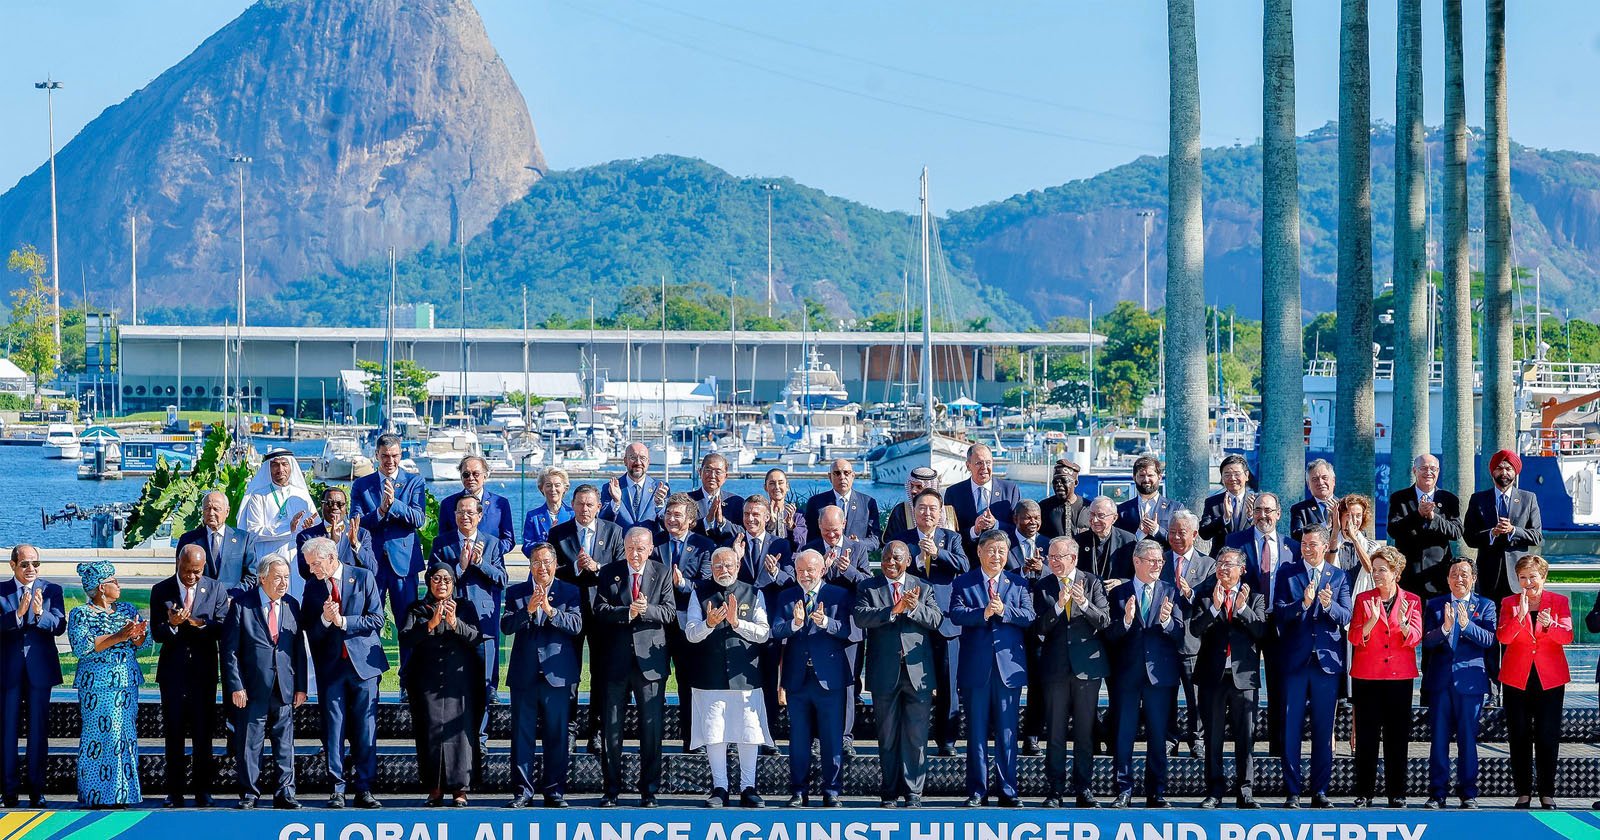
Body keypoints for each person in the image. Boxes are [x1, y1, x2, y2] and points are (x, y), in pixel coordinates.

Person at [853, 540, 943, 808]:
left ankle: (914, 792)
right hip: (884, 674)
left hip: (918, 674)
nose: (890, 563)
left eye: (896, 559)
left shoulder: (923, 586)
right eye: (886, 559)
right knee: (888, 734)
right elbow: (860, 617)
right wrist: (893, 610)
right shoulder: (869, 586)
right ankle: (889, 791)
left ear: (908, 561)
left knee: (916, 736)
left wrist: (914, 608)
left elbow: (936, 620)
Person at [301, 536, 388, 809]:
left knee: (365, 728)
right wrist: (326, 620)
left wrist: (343, 621)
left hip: (364, 666)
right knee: (333, 728)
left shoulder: (362, 577)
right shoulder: (313, 587)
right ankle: (337, 787)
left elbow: (377, 619)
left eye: (316, 564)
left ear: (331, 558)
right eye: (309, 565)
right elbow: (310, 631)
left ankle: (364, 787)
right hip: (332, 668)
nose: (313, 569)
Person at [949, 529, 1034, 807]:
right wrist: (983, 613)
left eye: (1001, 551)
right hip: (976, 670)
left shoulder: (1018, 583)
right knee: (976, 733)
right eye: (991, 550)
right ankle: (977, 790)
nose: (996, 556)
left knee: (1008, 732)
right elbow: (957, 613)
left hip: (1008, 671)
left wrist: (1004, 611)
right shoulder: (964, 582)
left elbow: (1029, 616)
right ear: (979, 552)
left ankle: (1008, 790)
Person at [593, 527, 676, 807]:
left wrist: (646, 609)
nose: (635, 553)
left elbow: (669, 612)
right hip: (615, 663)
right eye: (631, 548)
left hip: (649, 664)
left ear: (651, 548)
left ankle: (649, 790)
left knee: (651, 730)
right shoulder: (609, 572)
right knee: (612, 729)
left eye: (641, 548)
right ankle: (611, 789)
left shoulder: (662, 572)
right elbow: (600, 611)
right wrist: (625, 612)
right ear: (624, 548)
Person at [685, 547, 772, 809]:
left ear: (738, 565)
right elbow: (690, 633)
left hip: (744, 677)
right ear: (711, 568)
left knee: (748, 733)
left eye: (729, 565)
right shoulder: (698, 593)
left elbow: (763, 633)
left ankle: (749, 787)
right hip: (708, 677)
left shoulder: (754, 592)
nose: (724, 570)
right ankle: (719, 787)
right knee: (715, 734)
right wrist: (709, 624)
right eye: (718, 566)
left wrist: (737, 623)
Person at [1273, 524, 1352, 808]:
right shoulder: (1287, 572)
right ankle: (1292, 791)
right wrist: (1303, 604)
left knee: (1323, 730)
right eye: (1303, 544)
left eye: (1312, 544)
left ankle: (1320, 790)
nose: (1307, 548)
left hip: (1326, 664)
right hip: (1295, 662)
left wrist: (1329, 606)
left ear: (1323, 546)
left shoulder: (1339, 576)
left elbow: (1346, 615)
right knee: (1291, 729)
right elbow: (1279, 612)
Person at [221, 556, 308, 810]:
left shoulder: (292, 605)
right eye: (278, 577)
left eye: (286, 578)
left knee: (285, 743)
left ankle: (285, 792)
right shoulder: (241, 606)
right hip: (251, 689)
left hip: (284, 687)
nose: (283, 583)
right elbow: (230, 651)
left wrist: (301, 685)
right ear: (262, 578)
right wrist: (236, 686)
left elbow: (298, 649)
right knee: (250, 742)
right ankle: (250, 792)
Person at [501, 543, 583, 809]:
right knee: (522, 737)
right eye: (537, 562)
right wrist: (528, 610)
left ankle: (554, 791)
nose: (542, 567)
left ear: (555, 563)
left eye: (547, 562)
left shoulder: (569, 591)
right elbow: (506, 626)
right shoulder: (517, 592)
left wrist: (550, 611)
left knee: (557, 736)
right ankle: (523, 791)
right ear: (530, 565)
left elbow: (576, 625)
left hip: (557, 676)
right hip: (525, 675)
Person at [1031, 536, 1109, 808]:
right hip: (1055, 669)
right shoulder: (1043, 586)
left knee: (1085, 733)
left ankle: (1083, 789)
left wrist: (1084, 603)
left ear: (1073, 558)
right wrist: (1057, 605)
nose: (1053, 562)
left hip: (1087, 668)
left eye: (1058, 557)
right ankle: (1055, 790)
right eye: (1050, 557)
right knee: (1054, 732)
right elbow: (1039, 627)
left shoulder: (1093, 582)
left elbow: (1104, 620)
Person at [889, 488, 969, 754]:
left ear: (940, 512)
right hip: (913, 621)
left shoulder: (952, 538)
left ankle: (947, 740)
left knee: (949, 685)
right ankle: (916, 739)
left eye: (932, 508)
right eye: (922, 508)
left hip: (947, 623)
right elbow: (894, 568)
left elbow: (964, 566)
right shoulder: (903, 539)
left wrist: (937, 553)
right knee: (915, 685)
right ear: (914, 512)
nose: (927, 513)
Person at [429, 495, 509, 762]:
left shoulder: (493, 544)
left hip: (483, 625)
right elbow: (433, 578)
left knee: (483, 684)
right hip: (452, 623)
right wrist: (460, 567)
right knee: (450, 684)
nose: (465, 517)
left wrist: (478, 563)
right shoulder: (443, 544)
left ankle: (480, 738)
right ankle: (452, 738)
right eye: (460, 512)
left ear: (479, 516)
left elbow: (502, 579)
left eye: (470, 513)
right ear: (454, 515)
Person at [770, 549, 853, 808]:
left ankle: (832, 790)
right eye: (800, 571)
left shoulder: (838, 595)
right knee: (799, 739)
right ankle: (798, 790)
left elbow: (849, 631)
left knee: (831, 738)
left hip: (829, 680)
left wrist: (826, 621)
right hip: (798, 679)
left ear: (822, 570)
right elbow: (775, 630)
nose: (805, 576)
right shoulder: (787, 596)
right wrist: (795, 624)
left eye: (810, 570)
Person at [1105, 539, 1183, 809]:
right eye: (1152, 560)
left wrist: (1166, 621)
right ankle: (1123, 790)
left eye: (1160, 561)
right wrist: (1126, 621)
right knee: (1123, 734)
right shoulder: (1119, 593)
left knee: (1158, 735)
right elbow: (1108, 634)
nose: (1157, 565)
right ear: (1136, 562)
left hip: (1159, 675)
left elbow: (1181, 632)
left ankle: (1156, 792)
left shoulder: (1170, 591)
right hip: (1126, 675)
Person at [400, 563, 486, 808]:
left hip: (459, 684)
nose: (442, 584)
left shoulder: (465, 607)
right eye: (437, 579)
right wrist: (431, 623)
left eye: (447, 580)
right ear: (428, 582)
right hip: (426, 684)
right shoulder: (417, 608)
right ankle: (434, 789)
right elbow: (405, 638)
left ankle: (460, 789)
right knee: (430, 735)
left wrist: (454, 622)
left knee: (460, 734)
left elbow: (476, 637)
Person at [66, 560, 149, 809]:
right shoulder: (81, 613)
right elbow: (82, 646)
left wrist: (138, 634)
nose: (118, 585)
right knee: (101, 737)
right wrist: (119, 636)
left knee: (125, 736)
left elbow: (142, 645)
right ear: (101, 587)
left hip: (125, 683)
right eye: (114, 581)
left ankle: (122, 794)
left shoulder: (126, 608)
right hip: (97, 685)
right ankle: (97, 795)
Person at [152, 545, 229, 808]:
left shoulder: (216, 589)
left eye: (197, 571)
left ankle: (203, 790)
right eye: (187, 571)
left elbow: (223, 627)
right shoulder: (161, 590)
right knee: (173, 734)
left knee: (202, 733)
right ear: (178, 563)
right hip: (173, 673)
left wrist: (199, 623)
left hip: (202, 673)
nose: (192, 577)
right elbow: (156, 633)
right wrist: (172, 625)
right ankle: (174, 792)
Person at [547, 483, 623, 750]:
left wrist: (597, 567)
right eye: (580, 504)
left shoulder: (614, 532)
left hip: (603, 613)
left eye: (590, 504)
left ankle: (597, 730)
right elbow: (552, 571)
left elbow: (619, 573)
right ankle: (569, 730)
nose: (585, 509)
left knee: (601, 672)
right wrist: (577, 569)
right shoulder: (558, 533)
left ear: (598, 507)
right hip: (570, 611)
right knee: (569, 673)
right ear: (573, 505)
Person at [1191, 548, 1266, 809]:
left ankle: (1245, 792)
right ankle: (1214, 791)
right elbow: (1195, 628)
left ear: (1241, 569)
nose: (1223, 569)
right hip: (1212, 676)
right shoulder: (1204, 596)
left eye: (1229, 564)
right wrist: (1214, 607)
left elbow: (1260, 631)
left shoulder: (1255, 597)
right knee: (1213, 738)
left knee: (1245, 737)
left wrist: (1242, 608)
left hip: (1243, 678)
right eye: (1220, 564)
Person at [1349, 546, 1423, 808]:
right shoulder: (1363, 600)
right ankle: (1364, 793)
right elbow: (1354, 637)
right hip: (1367, 677)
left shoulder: (1412, 600)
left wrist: (1403, 624)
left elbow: (1415, 637)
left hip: (1399, 678)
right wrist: (1370, 622)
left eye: (1383, 570)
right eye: (1375, 569)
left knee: (1397, 737)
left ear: (1396, 573)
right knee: (1367, 737)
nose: (1377, 574)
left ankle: (1397, 793)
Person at [1225, 490, 1298, 755]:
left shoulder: (1293, 547)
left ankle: (1278, 748)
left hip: (1279, 625)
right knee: (1246, 688)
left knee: (1280, 687)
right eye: (1258, 510)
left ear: (1278, 514)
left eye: (1268, 510)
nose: (1263, 515)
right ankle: (1246, 748)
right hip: (1246, 623)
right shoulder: (1235, 541)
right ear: (1251, 513)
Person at [1496, 555, 1571, 810]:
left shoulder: (1559, 602)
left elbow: (1567, 637)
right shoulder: (1509, 603)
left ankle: (1547, 792)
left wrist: (1550, 626)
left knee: (1548, 736)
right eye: (1523, 578)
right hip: (1517, 678)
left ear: (1544, 577)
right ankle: (1523, 792)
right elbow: (1504, 637)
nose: (1528, 583)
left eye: (1532, 577)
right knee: (1518, 735)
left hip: (1549, 679)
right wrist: (1520, 617)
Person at [1422, 559, 1496, 810]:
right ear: (1447, 579)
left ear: (1473, 578)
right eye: (1454, 574)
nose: (1459, 578)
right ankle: (1437, 793)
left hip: (1470, 684)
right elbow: (1427, 642)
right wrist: (1445, 628)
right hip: (1440, 683)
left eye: (1464, 574)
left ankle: (1468, 793)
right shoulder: (1434, 605)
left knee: (1468, 739)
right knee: (1439, 740)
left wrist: (1466, 626)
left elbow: (1488, 640)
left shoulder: (1485, 605)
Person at [351, 433, 428, 670]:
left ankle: (407, 680)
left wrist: (393, 504)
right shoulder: (362, 485)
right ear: (376, 456)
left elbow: (418, 518)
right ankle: (369, 675)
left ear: (401, 454)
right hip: (371, 562)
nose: (390, 461)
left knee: (407, 622)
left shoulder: (415, 482)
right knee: (368, 618)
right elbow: (356, 522)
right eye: (385, 456)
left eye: (394, 456)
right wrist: (381, 512)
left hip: (403, 564)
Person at [803, 504, 873, 755]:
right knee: (815, 682)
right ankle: (817, 736)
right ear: (819, 527)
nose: (831, 536)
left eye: (835, 530)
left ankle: (845, 736)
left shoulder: (858, 549)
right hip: (817, 626)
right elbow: (803, 582)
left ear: (843, 525)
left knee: (848, 683)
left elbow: (869, 585)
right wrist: (821, 569)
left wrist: (848, 570)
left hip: (849, 627)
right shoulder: (810, 548)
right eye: (826, 531)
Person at [1, 544, 65, 808]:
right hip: (8, 671)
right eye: (26, 564)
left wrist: (39, 614)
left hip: (40, 670)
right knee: (7, 732)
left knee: (38, 732)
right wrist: (17, 614)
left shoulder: (51, 590)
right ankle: (9, 790)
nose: (31, 569)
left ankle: (36, 789)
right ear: (13, 565)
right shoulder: (2, 591)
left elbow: (59, 626)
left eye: (36, 564)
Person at [656, 492, 717, 749]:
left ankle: (692, 740)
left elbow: (705, 585)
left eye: (677, 514)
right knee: (654, 681)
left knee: (688, 682)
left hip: (687, 624)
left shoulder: (704, 546)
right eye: (668, 513)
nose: (671, 518)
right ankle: (653, 740)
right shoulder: (654, 543)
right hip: (657, 624)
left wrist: (682, 584)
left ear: (691, 520)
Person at [732, 493, 794, 743]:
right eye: (747, 514)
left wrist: (775, 572)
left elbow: (790, 580)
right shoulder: (733, 541)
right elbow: (724, 579)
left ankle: (767, 736)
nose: (750, 519)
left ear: (767, 517)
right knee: (739, 683)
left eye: (756, 514)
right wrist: (735, 557)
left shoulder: (780, 545)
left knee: (769, 681)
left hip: (768, 623)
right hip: (740, 623)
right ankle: (738, 736)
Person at [1163, 510, 1214, 758]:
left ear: (1194, 534)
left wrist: (1190, 594)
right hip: (1164, 641)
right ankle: (1170, 737)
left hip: (1194, 641)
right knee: (1167, 693)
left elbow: (1209, 603)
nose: (1175, 537)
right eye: (1171, 532)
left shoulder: (1208, 565)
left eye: (1181, 533)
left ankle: (1197, 739)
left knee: (1196, 696)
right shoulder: (1159, 561)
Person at [1465, 449, 1543, 604]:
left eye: (1508, 469)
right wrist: (1492, 533)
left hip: (1518, 576)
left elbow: (1536, 536)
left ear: (1515, 472)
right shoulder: (1478, 499)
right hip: (1488, 576)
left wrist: (1513, 530)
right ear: (1492, 472)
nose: (1504, 472)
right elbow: (1469, 537)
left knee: (1516, 623)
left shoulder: (1528, 499)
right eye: (1499, 468)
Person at [238, 449, 318, 597]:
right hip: (269, 559)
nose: (280, 469)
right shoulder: (258, 496)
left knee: (297, 601)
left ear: (290, 467)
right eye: (275, 465)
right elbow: (253, 531)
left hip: (297, 562)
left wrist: (308, 528)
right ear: (269, 468)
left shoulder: (301, 495)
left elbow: (316, 526)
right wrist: (288, 528)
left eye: (284, 464)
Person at [1388, 454, 1463, 599]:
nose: (1429, 472)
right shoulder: (1399, 498)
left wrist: (1434, 518)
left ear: (1438, 471)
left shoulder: (1449, 499)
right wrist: (1418, 515)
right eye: (1424, 468)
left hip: (1438, 576)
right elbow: (1393, 530)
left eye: (1433, 469)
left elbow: (1456, 532)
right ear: (1414, 471)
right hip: (1408, 576)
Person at [946, 444, 1022, 558]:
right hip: (968, 561)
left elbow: (1018, 528)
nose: (984, 467)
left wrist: (995, 524)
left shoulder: (1010, 490)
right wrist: (974, 530)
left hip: (1002, 561)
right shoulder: (954, 493)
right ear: (968, 465)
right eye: (979, 463)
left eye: (988, 462)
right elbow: (949, 533)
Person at [176, 491, 257, 592]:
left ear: (227, 512)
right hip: (200, 602)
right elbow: (180, 575)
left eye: (216, 509)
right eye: (207, 508)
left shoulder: (244, 539)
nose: (211, 513)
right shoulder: (188, 540)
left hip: (232, 601)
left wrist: (232, 596)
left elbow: (251, 577)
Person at [295, 485, 377, 580]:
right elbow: (305, 572)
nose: (334, 507)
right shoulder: (307, 536)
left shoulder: (361, 534)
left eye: (340, 504)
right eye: (329, 503)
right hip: (322, 591)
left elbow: (372, 569)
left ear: (345, 507)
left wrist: (355, 544)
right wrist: (330, 545)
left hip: (351, 591)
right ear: (322, 505)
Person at [803, 459, 882, 553]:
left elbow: (875, 540)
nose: (842, 477)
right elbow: (809, 537)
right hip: (824, 561)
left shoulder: (868, 503)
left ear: (853, 476)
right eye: (837, 473)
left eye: (846, 473)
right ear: (830, 477)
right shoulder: (816, 503)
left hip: (855, 562)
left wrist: (857, 543)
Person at [441, 455, 515, 556]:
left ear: (485, 476)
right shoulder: (448, 504)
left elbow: (508, 540)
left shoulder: (501, 504)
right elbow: (443, 538)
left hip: (491, 565)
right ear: (461, 477)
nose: (471, 478)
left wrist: (489, 553)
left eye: (476, 474)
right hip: (457, 564)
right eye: (466, 474)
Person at [600, 442, 669, 535]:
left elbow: (668, 524)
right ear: (625, 461)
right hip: (621, 547)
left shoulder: (661, 488)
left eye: (643, 458)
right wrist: (615, 502)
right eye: (633, 458)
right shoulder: (610, 488)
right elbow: (602, 522)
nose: (638, 462)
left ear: (648, 462)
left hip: (651, 547)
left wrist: (660, 505)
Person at [1116, 456, 1185, 545]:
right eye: (1141, 475)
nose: (1146, 480)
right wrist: (1139, 534)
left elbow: (1182, 541)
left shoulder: (1175, 508)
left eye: (1150, 475)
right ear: (1134, 478)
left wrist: (1156, 530)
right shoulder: (1122, 511)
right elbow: (1118, 544)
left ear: (1159, 477)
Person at [1199, 454, 1255, 551]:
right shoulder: (1212, 503)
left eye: (1237, 474)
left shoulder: (1256, 501)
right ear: (1222, 478)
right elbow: (1204, 533)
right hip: (1222, 560)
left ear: (1246, 475)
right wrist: (1224, 518)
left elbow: (1266, 531)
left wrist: (1252, 518)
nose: (1232, 478)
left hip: (1249, 559)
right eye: (1227, 474)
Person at [689, 453, 745, 546]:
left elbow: (743, 532)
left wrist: (722, 523)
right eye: (708, 470)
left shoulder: (736, 502)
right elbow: (681, 529)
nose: (712, 475)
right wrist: (706, 522)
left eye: (718, 472)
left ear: (726, 476)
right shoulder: (687, 500)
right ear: (700, 472)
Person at [1076, 496, 1136, 584]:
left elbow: (1136, 573)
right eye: (1092, 514)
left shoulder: (1128, 540)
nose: (1095, 520)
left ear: (1114, 518)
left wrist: (1121, 582)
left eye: (1101, 515)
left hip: (1116, 594)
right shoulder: (1078, 541)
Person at [1331, 494, 1380, 598]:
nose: (1354, 520)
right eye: (1348, 515)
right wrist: (1335, 531)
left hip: (1360, 600)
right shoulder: (1328, 543)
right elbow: (1327, 565)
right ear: (1340, 517)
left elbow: (1370, 568)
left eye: (1358, 515)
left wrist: (1354, 539)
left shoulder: (1372, 546)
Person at [885, 467, 958, 534]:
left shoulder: (949, 512)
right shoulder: (901, 511)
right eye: (912, 486)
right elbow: (892, 542)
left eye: (919, 487)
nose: (913, 491)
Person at [521, 467, 573, 551]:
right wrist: (548, 538)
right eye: (548, 485)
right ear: (541, 488)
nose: (553, 489)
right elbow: (527, 548)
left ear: (565, 488)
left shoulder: (573, 514)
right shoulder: (533, 516)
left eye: (557, 485)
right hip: (543, 563)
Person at [1039, 458, 1091, 539]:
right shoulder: (1043, 508)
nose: (1059, 485)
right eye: (1055, 482)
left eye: (1064, 481)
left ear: (1076, 483)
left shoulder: (1089, 508)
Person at [1289, 459, 1339, 541]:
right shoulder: (1300, 510)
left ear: (1333, 481)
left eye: (1324, 478)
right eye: (1315, 479)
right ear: (1308, 485)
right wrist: (1325, 525)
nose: (1320, 482)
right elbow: (1296, 536)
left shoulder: (1345, 506)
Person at [764, 468, 806, 544]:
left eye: (780, 483)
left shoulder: (798, 515)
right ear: (765, 487)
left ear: (787, 487)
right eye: (772, 483)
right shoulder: (760, 515)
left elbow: (801, 544)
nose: (777, 487)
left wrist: (791, 526)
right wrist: (770, 525)